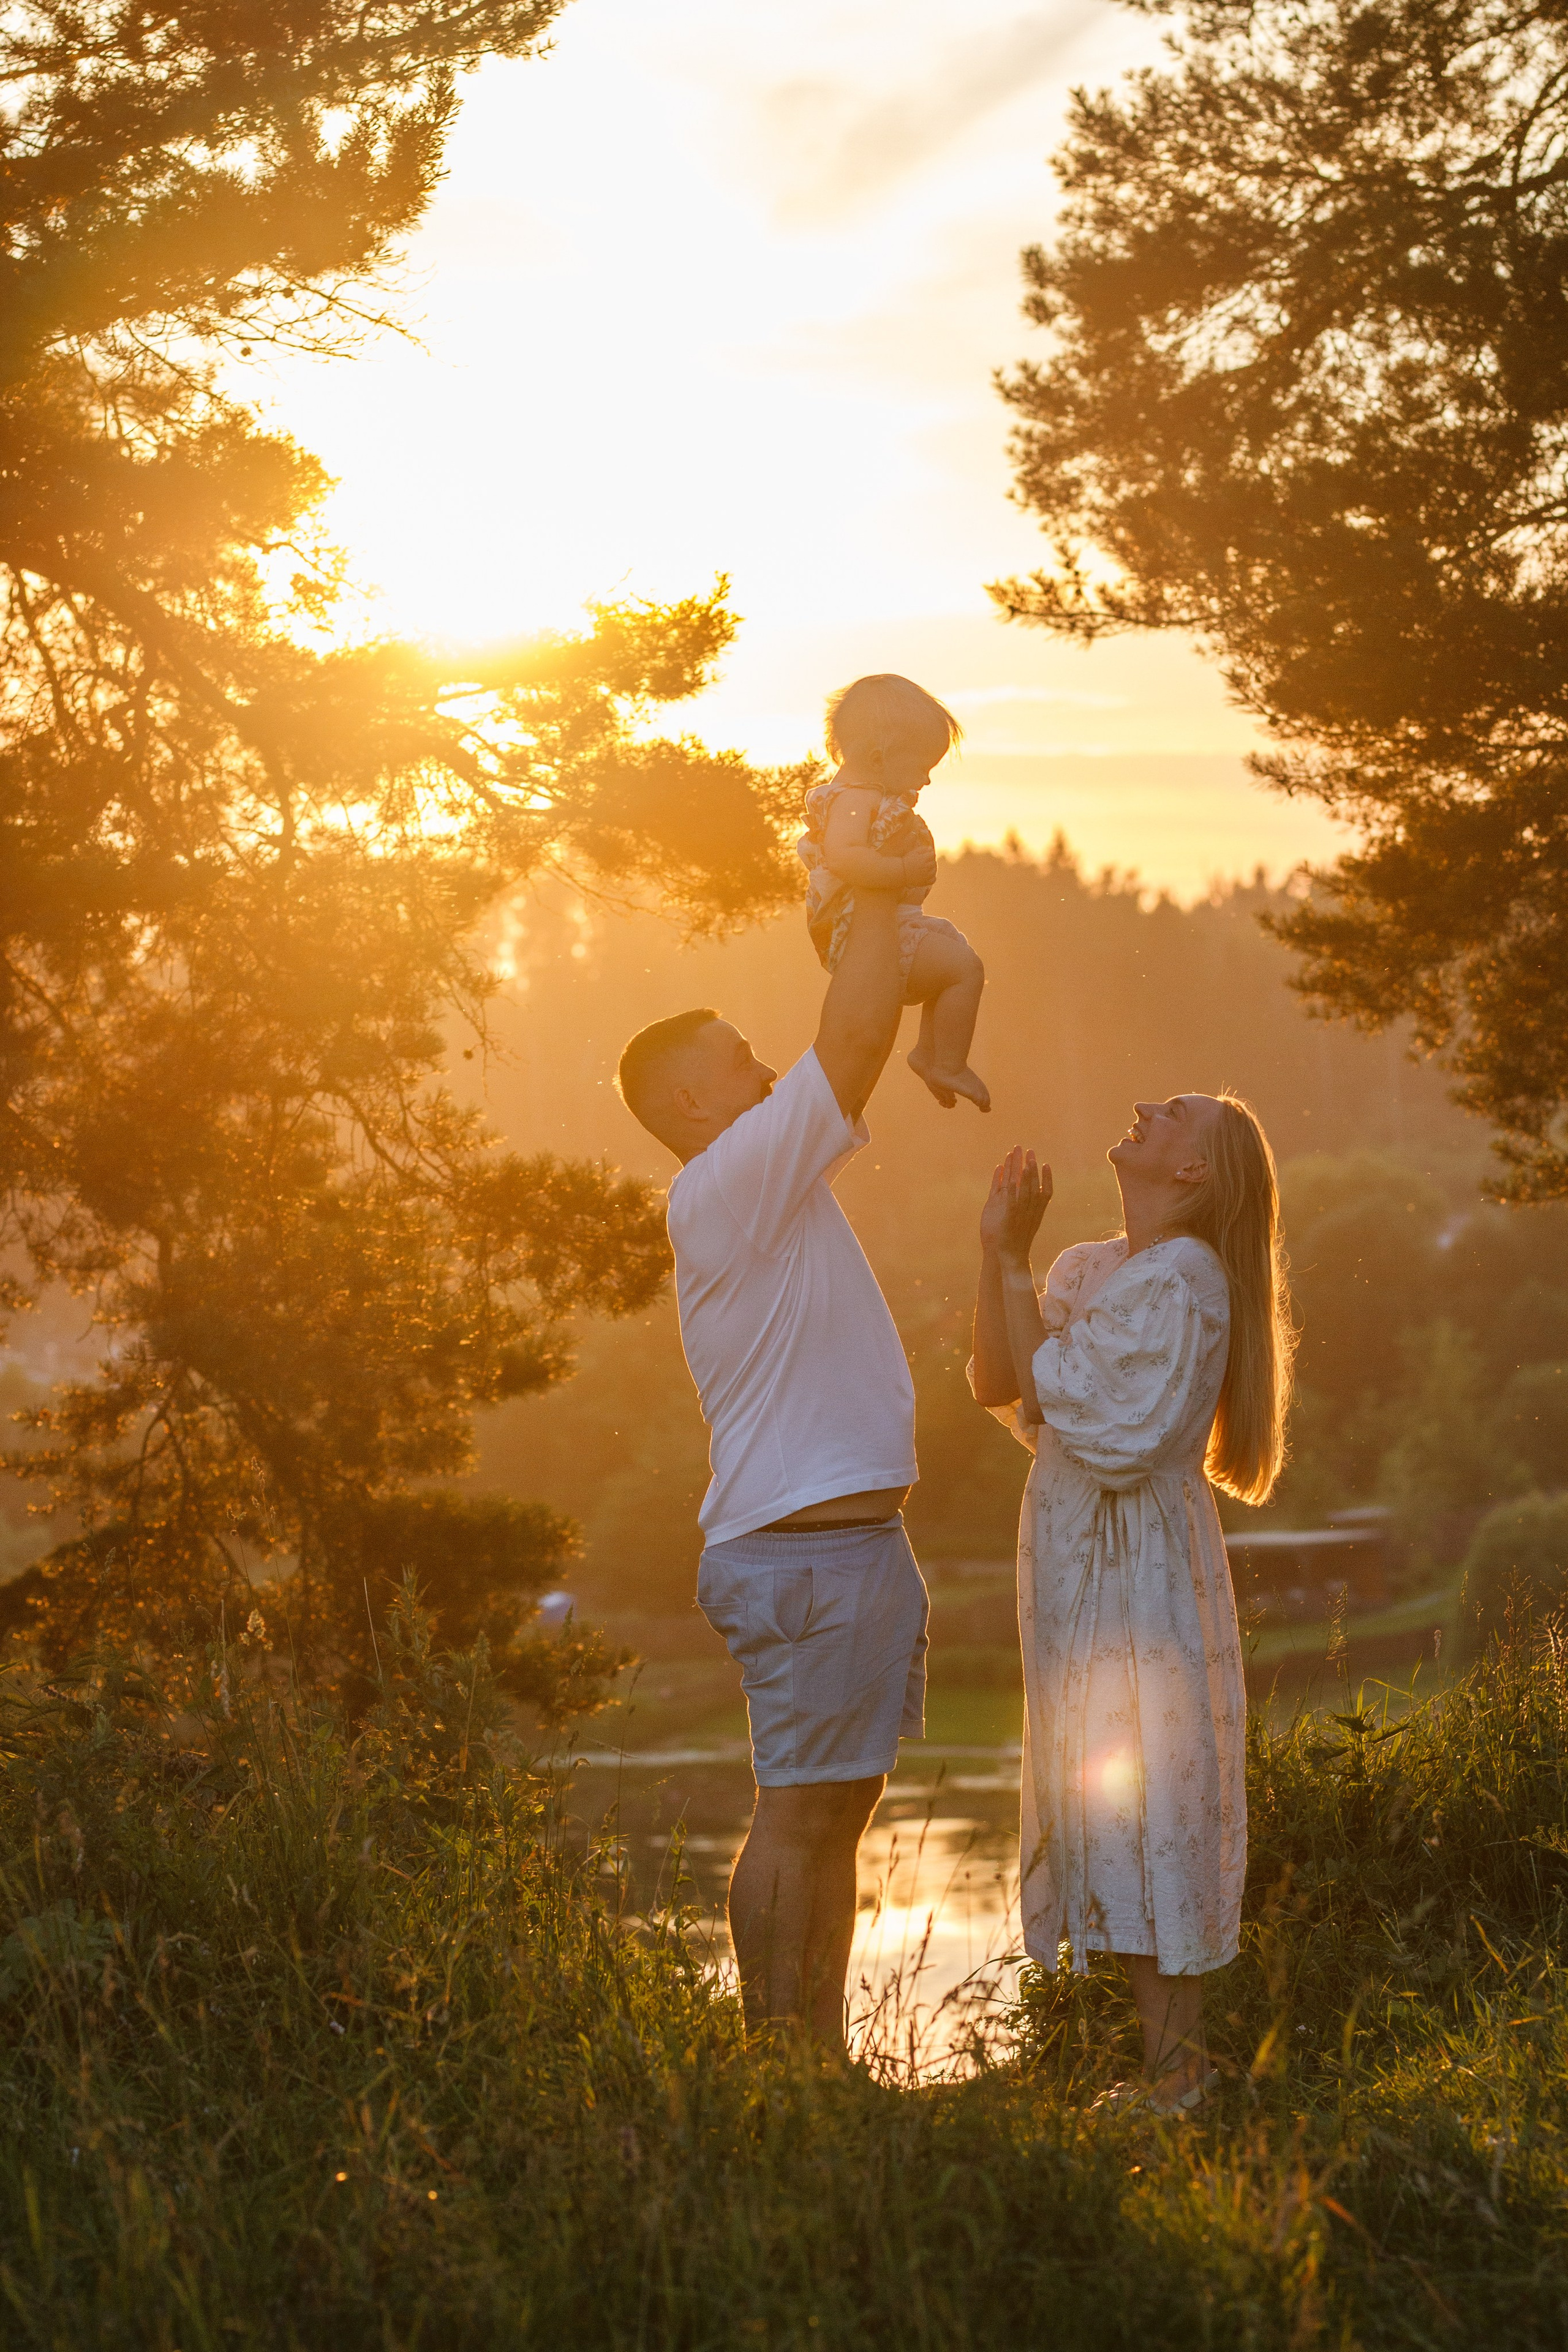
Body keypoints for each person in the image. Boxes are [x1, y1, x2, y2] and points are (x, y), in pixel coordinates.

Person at [615, 875, 932, 2049]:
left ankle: (815, 2066)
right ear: (691, 1102)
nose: (767, 1072)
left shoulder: (761, 1185)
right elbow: (852, 1042)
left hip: (841, 1552)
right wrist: (877, 887)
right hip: (807, 1560)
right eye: (743, 1059)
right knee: (800, 1818)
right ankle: (779, 2066)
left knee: (833, 1815)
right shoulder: (729, 1182)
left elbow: (851, 1043)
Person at [970, 1095, 1292, 2113]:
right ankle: (1165, 2068)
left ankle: (1179, 2075)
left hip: (1137, 1561)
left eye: (1175, 1114)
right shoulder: (1089, 1267)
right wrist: (1000, 1252)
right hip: (1075, 1551)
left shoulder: (1187, 1278)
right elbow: (1002, 1382)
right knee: (1101, 1796)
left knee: (1151, 1792)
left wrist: (1018, 1280)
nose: (1147, 1108)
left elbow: (1090, 1419)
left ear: (1195, 1172)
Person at [797, 672, 990, 1113]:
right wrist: (901, 869)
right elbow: (845, 857)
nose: (926, 780)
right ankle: (948, 1063)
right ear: (878, 757)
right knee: (965, 969)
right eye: (923, 767)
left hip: (888, 923)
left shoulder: (862, 797)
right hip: (860, 933)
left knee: (955, 958)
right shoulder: (853, 800)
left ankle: (929, 1054)